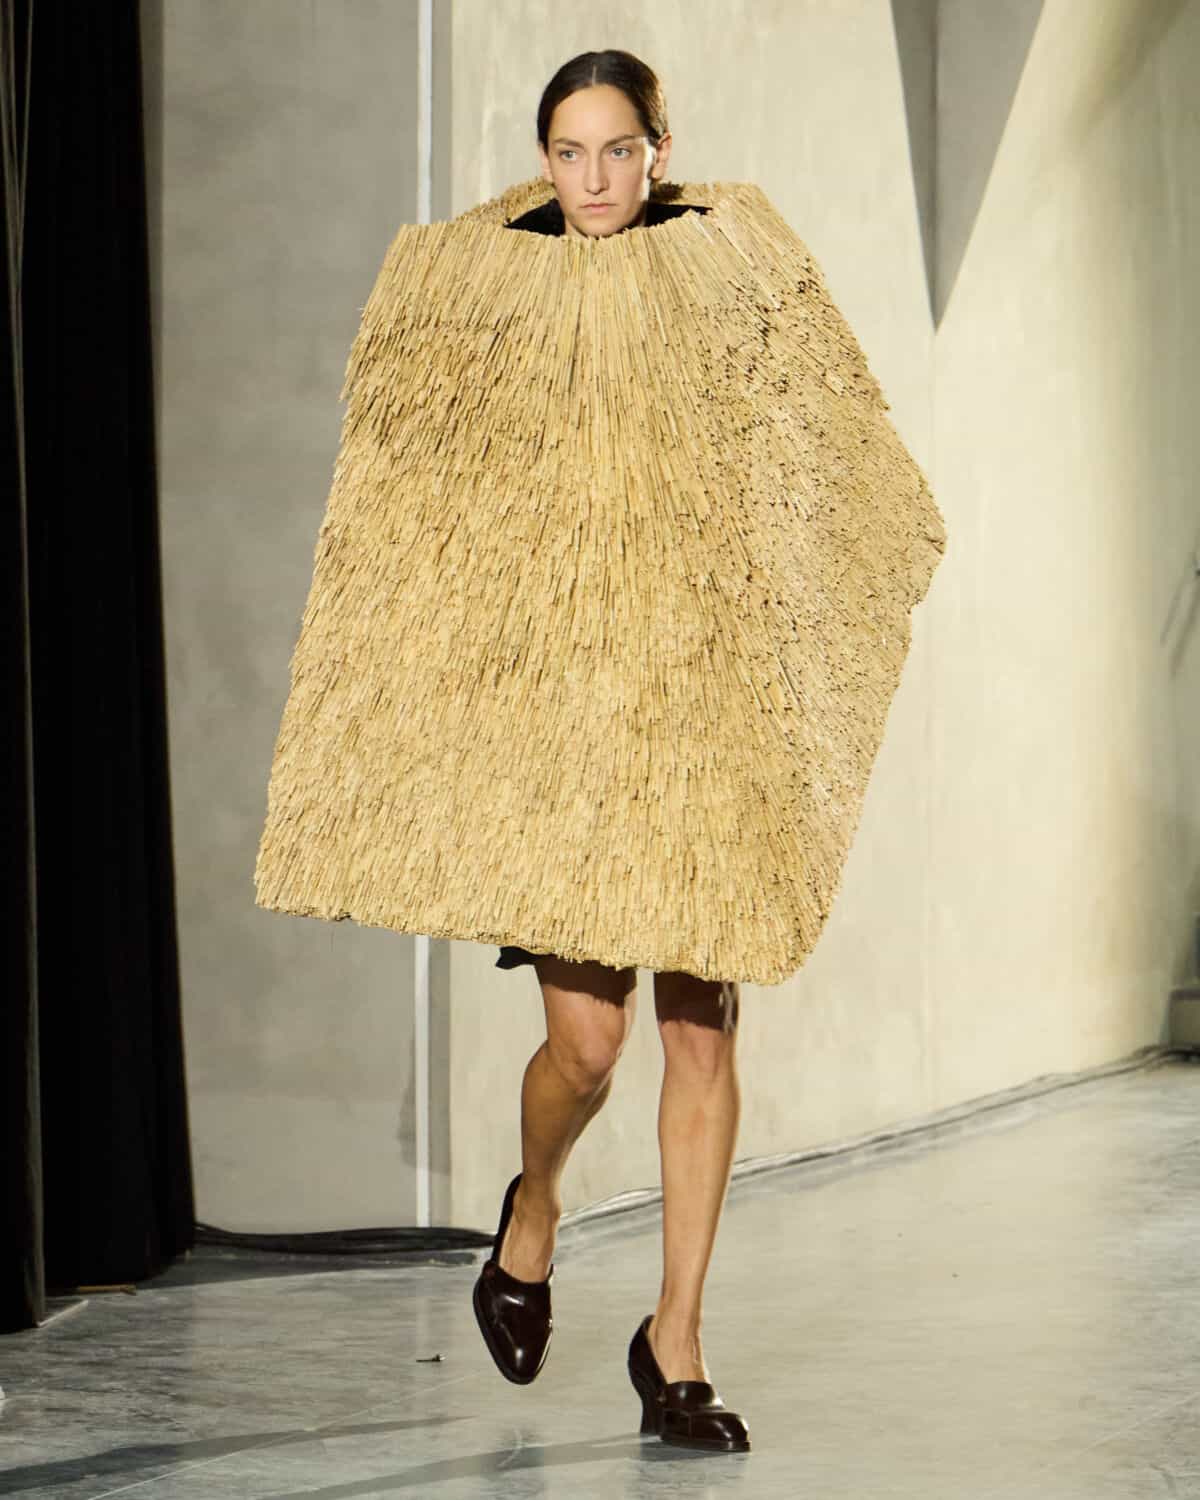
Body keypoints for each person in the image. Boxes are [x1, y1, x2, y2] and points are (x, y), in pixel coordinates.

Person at [471, 50, 751, 1457]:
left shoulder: (718, 272)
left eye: (618, 149)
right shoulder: (499, 284)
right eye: (569, 151)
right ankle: (532, 1214)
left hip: (700, 697)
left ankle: (675, 1343)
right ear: (545, 161)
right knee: (585, 1048)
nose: (593, 176)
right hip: (566, 710)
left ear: (658, 151)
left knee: (702, 1026)